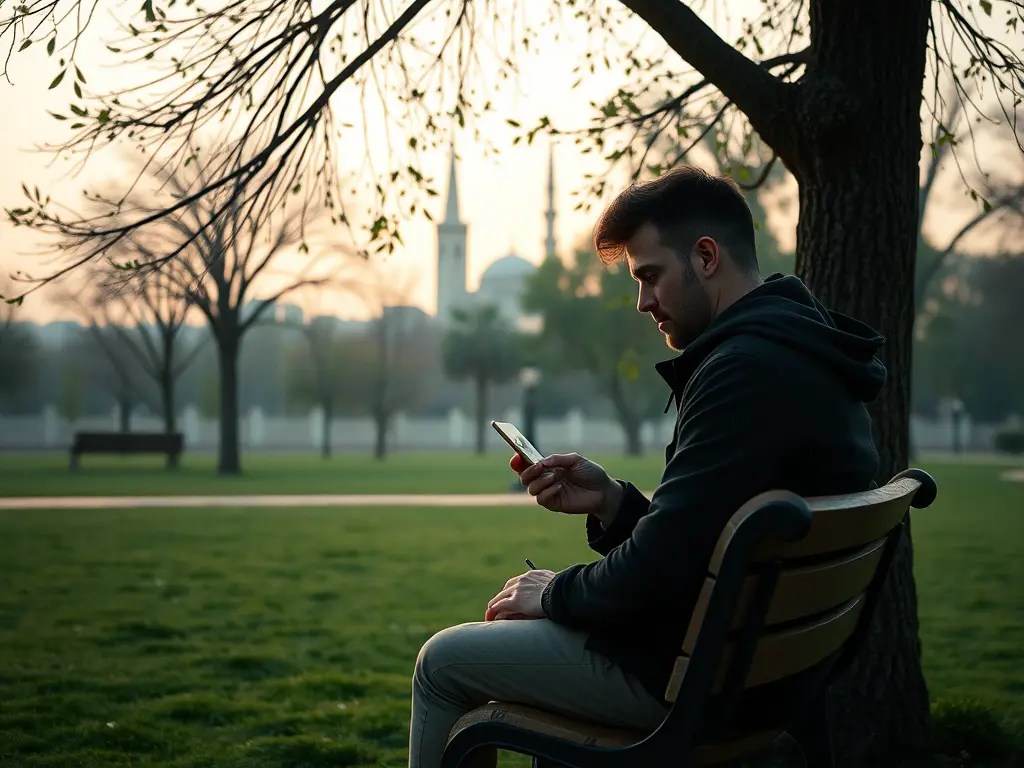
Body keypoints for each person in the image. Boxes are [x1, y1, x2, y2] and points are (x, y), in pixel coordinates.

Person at [408, 166, 885, 768]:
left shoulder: (743, 371)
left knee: (442, 663)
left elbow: (657, 571)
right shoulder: (799, 350)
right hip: (765, 673)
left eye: (650, 276)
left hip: (701, 685)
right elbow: (701, 541)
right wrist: (612, 501)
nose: (643, 302)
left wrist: (555, 592)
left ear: (706, 257)